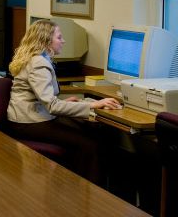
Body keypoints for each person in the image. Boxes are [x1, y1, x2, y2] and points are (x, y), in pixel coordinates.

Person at [6, 19, 120, 183]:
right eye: (59, 37)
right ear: (46, 41)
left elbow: (43, 98)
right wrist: (92, 104)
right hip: (29, 123)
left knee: (86, 131)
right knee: (90, 145)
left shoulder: (34, 58)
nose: (63, 41)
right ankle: (92, 196)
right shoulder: (39, 63)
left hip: (25, 118)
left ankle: (76, 186)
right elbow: (52, 106)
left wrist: (69, 102)